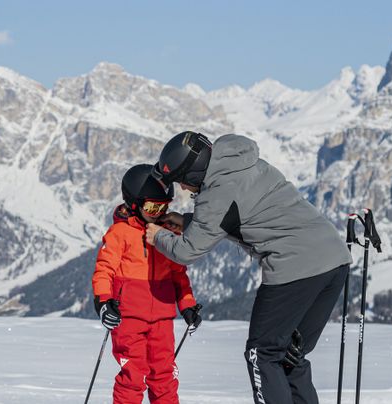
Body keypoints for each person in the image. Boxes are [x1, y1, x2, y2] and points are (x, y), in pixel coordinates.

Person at [144, 131, 351, 404]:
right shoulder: (242, 162)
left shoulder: (215, 193)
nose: (182, 188)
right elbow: (237, 212)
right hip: (334, 260)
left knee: (262, 354)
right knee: (291, 354)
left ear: (194, 174)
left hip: (295, 267)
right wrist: (187, 221)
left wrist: (158, 236)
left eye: (182, 180)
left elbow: (187, 250)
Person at [93, 164, 201, 404]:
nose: (158, 213)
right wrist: (103, 302)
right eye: (152, 207)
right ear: (134, 203)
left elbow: (179, 275)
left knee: (164, 376)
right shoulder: (120, 232)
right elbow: (104, 270)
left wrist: (187, 306)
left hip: (162, 318)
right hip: (129, 318)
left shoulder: (166, 233)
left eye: (163, 207)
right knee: (134, 376)